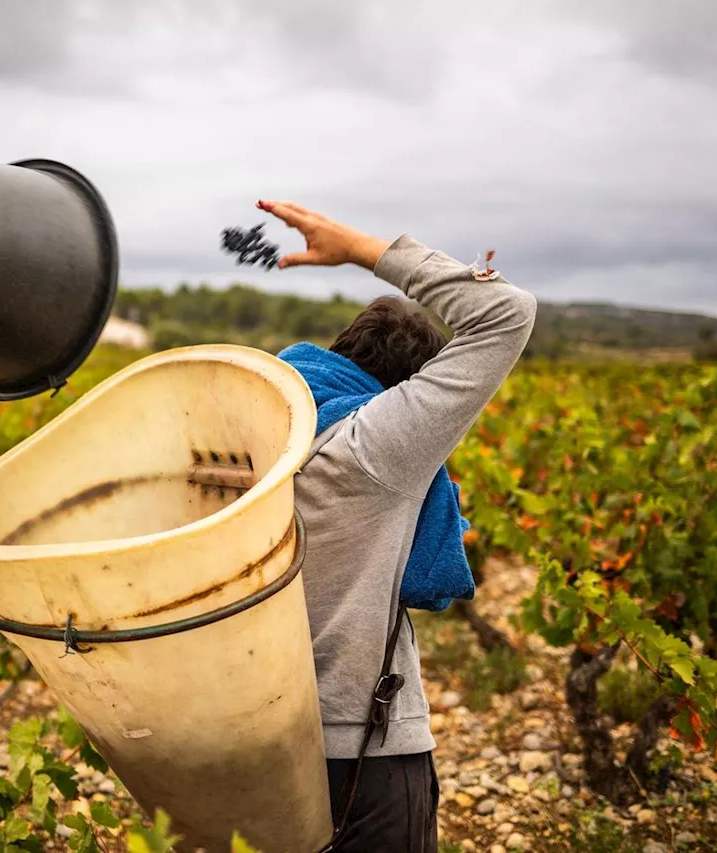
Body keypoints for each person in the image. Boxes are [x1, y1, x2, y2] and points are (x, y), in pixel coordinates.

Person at [259, 199, 537, 851]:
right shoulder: (374, 444)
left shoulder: (251, 434)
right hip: (365, 753)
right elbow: (506, 312)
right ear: (404, 392)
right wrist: (360, 248)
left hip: (243, 746)